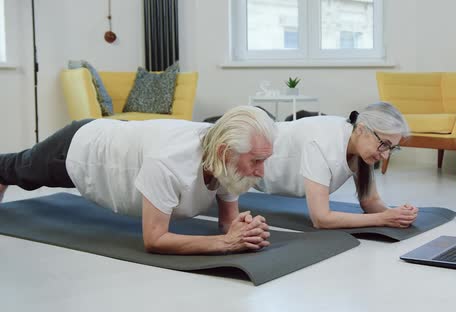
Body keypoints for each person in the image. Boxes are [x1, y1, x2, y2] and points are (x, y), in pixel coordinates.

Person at [0, 106, 276, 255]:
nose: (261, 172)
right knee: (15, 169)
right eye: (256, 161)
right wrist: (226, 243)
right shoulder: (169, 161)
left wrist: (244, 230)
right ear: (223, 152)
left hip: (116, 143)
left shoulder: (226, 157)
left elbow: (228, 223)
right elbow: (154, 240)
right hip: (79, 148)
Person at [255, 102, 419, 229]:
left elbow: (369, 201)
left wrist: (396, 214)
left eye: (392, 148)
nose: (385, 155)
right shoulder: (321, 142)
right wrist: (382, 219)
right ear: (361, 129)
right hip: (252, 163)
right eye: (384, 144)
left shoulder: (361, 145)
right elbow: (321, 219)